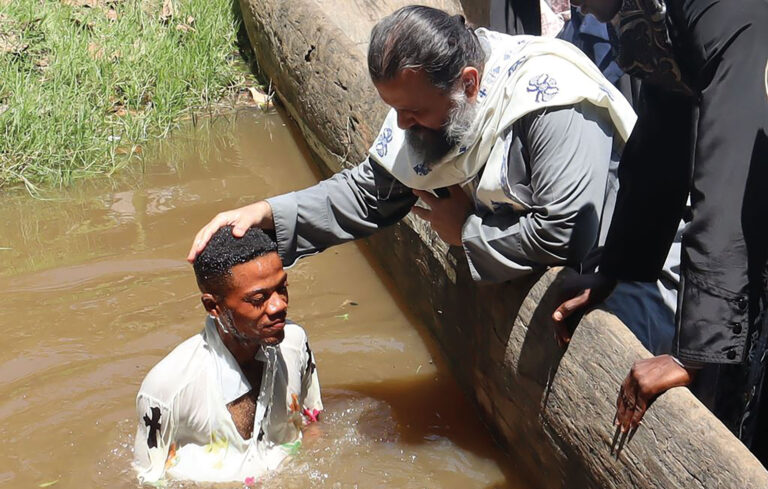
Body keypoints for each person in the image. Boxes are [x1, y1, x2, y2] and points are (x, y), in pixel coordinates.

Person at [188, 6, 637, 293]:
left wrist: (466, 233)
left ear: (468, 84)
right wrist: (264, 212)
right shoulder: (436, 103)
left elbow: (566, 231)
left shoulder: (552, 101)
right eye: (394, 110)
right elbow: (369, 193)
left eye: (413, 112)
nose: (401, 125)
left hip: (626, 271)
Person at [552, 0, 768, 459]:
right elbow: (662, 141)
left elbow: (727, 174)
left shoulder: (721, 12)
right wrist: (615, 271)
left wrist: (691, 355)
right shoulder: (642, 19)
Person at [134, 226, 322, 485]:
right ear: (214, 306)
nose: (280, 305)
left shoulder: (294, 343)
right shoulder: (168, 387)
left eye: (282, 288)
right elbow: (148, 484)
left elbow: (313, 425)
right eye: (259, 298)